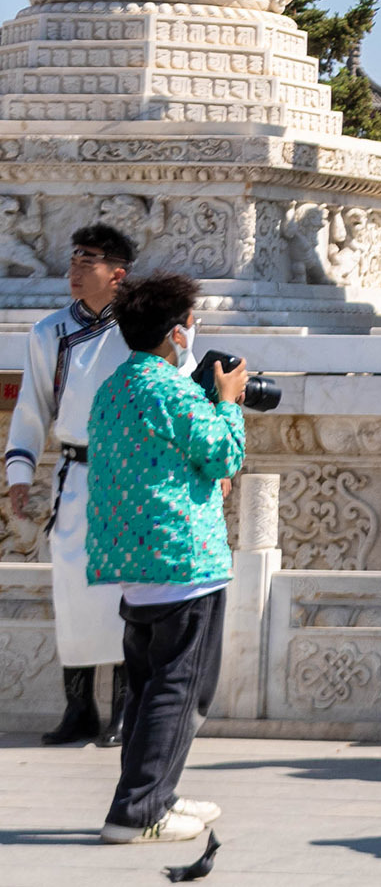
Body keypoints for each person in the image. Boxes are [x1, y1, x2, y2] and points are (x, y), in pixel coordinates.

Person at [81, 273, 248, 845]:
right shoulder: (172, 391)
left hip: (132, 567)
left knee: (151, 687)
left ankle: (152, 795)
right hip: (183, 564)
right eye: (192, 323)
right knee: (180, 690)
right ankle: (137, 811)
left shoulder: (113, 388)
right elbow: (224, 454)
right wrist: (227, 401)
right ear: (178, 333)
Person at [5, 222, 169, 748]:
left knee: (126, 593)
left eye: (88, 261)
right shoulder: (48, 332)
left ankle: (126, 709)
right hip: (75, 477)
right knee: (73, 592)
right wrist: (20, 473)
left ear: (117, 274)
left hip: (133, 478)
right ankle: (80, 708)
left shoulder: (145, 329)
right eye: (73, 259)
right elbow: (33, 407)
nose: (75, 270)